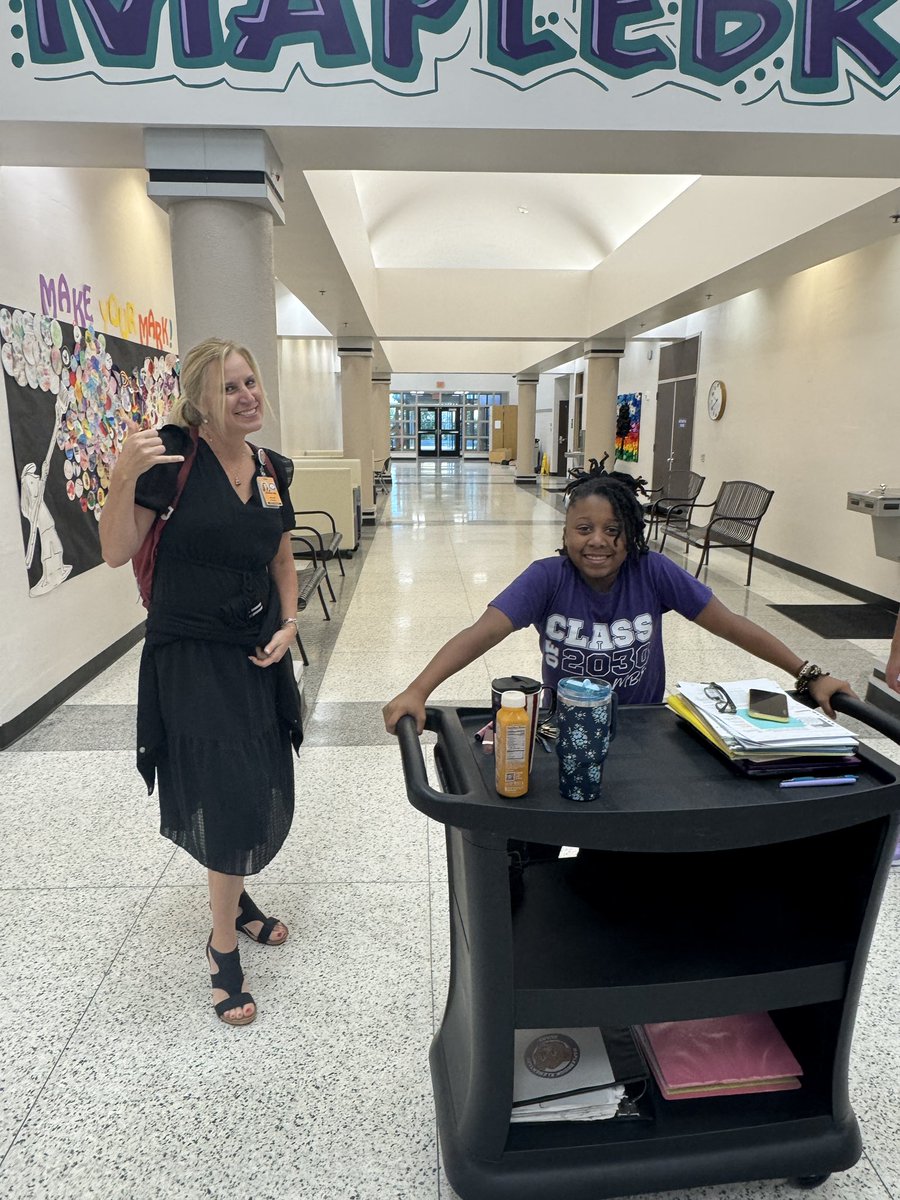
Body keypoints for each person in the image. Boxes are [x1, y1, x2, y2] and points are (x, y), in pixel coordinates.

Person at [100, 337, 302, 1028]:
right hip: (190, 656)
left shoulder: (271, 468)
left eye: (250, 382)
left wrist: (290, 622)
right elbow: (115, 550)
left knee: (254, 777)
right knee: (226, 788)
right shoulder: (172, 459)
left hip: (257, 652)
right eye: (228, 387)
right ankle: (222, 948)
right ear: (200, 401)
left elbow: (281, 559)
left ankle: (234, 901)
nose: (247, 396)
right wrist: (121, 477)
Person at [383, 475, 854, 734]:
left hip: (641, 726)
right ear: (565, 533)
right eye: (584, 529)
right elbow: (480, 634)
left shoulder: (653, 571)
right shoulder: (547, 578)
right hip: (565, 725)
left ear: (632, 535)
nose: (598, 542)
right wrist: (417, 690)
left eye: (613, 530)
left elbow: (729, 625)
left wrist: (808, 674)